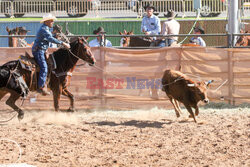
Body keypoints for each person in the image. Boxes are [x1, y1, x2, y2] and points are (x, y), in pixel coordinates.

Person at [32, 13, 70, 96]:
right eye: (51, 20)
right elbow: (49, 38)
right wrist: (62, 43)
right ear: (47, 21)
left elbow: (49, 37)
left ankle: (46, 83)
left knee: (48, 65)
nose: (53, 22)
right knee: (44, 67)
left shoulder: (45, 29)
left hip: (41, 50)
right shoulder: (44, 29)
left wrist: (54, 36)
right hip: (39, 51)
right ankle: (41, 87)